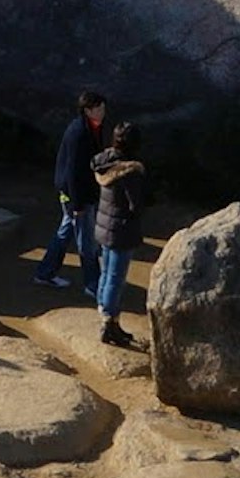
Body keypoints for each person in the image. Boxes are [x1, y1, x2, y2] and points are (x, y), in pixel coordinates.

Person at [32, 88, 109, 291]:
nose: (103, 112)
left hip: (81, 193)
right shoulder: (79, 133)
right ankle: (93, 285)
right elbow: (73, 172)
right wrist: (77, 204)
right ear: (88, 110)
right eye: (99, 108)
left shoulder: (93, 127)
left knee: (65, 232)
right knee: (87, 242)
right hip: (77, 195)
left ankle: (45, 272)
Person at [88, 121, 148, 349]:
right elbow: (136, 205)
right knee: (116, 277)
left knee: (106, 273)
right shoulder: (130, 172)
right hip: (122, 230)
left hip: (104, 226)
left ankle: (106, 317)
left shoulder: (104, 161)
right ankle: (109, 324)